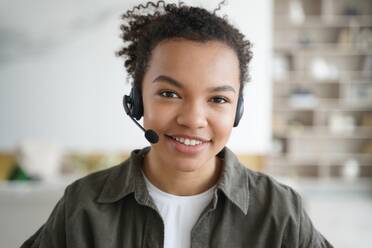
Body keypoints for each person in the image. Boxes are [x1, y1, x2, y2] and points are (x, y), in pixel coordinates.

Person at [21, 1, 333, 247]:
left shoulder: (279, 210)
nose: (193, 119)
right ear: (137, 100)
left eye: (218, 99)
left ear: (237, 110)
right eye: (169, 94)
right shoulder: (83, 207)